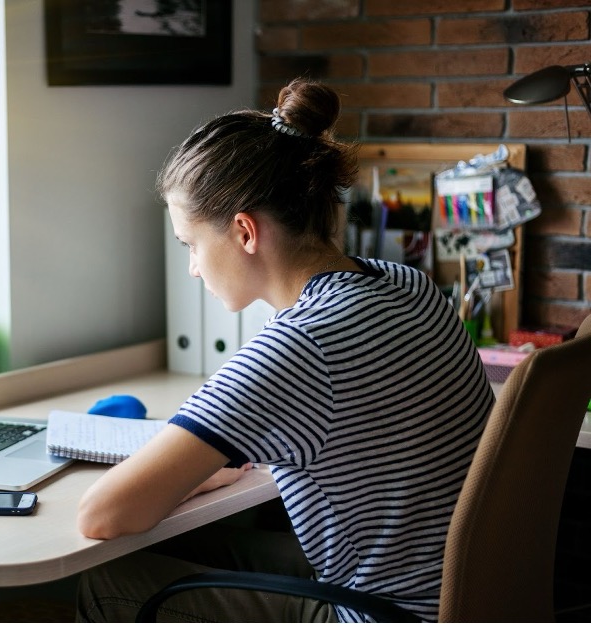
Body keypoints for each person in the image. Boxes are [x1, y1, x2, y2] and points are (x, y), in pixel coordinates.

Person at [75, 77, 494, 623]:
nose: (193, 267)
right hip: (460, 595)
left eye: (191, 243)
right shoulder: (408, 285)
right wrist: (207, 463)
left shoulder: (300, 345)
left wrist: (186, 471)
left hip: (381, 615)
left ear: (245, 231)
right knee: (175, 550)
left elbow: (102, 515)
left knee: (108, 577)